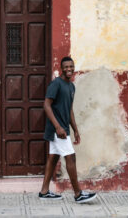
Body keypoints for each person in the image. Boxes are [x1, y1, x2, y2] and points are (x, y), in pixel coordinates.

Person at [39, 56, 97, 203]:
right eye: (66, 67)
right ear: (61, 68)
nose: (69, 69)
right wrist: (58, 127)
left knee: (53, 158)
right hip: (57, 129)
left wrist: (75, 130)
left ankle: (44, 192)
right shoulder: (56, 84)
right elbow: (46, 105)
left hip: (64, 129)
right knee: (70, 157)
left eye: (71, 66)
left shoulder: (71, 86)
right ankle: (78, 194)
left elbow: (69, 110)